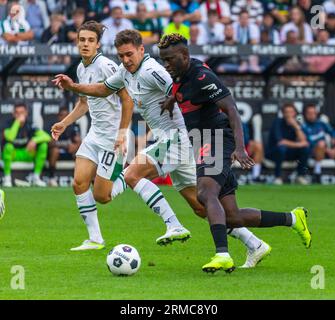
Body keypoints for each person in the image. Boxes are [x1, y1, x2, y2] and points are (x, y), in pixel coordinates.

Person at [53, 30, 274, 269]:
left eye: (129, 54)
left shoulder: (152, 71)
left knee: (131, 174)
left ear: (141, 50)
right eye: (121, 55)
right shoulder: (124, 72)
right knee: (202, 209)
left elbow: (181, 85)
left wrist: (178, 102)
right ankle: (254, 243)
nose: (126, 60)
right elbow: (104, 89)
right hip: (176, 142)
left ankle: (173, 225)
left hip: (179, 138)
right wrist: (74, 86)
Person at [158, 33, 311, 273]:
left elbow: (232, 110)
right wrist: (171, 99)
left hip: (217, 137)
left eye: (169, 59)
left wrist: (240, 148)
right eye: (162, 60)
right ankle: (293, 219)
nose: (165, 64)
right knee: (233, 217)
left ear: (185, 56)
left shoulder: (202, 76)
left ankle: (222, 255)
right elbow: (181, 87)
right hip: (203, 142)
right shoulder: (180, 72)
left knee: (205, 193)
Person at [51, 21, 134, 251]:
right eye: (82, 40)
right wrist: (64, 123)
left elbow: (128, 100)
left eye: (90, 40)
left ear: (98, 45)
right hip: (95, 135)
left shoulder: (107, 66)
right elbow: (83, 102)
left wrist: (122, 133)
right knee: (78, 183)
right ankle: (95, 239)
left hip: (112, 137)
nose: (85, 44)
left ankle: (132, 174)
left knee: (102, 196)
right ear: (77, 42)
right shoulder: (81, 68)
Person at [1, 103, 51, 188]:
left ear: (26, 113)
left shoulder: (30, 124)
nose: (20, 115)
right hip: (12, 154)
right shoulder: (8, 123)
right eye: (17, 112)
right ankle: (7, 178)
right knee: (8, 146)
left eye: (22, 112)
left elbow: (47, 137)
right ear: (13, 114)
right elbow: (10, 138)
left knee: (43, 146)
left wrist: (34, 140)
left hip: (26, 153)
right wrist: (17, 122)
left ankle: (36, 177)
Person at [266, 103, 310, 185]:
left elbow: (304, 140)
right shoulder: (277, 122)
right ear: (283, 113)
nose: (289, 114)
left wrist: (295, 126)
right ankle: (277, 177)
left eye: (291, 112)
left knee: (305, 149)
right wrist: (300, 144)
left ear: (295, 113)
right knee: (281, 148)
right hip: (274, 153)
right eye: (286, 112)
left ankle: (300, 176)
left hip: (290, 152)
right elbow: (281, 142)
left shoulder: (297, 123)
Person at [302, 104, 335, 183]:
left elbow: (332, 131)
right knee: (321, 144)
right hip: (312, 152)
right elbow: (308, 142)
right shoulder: (303, 126)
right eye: (309, 113)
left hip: (326, 151)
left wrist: (333, 137)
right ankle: (317, 172)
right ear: (305, 114)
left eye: (313, 113)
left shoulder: (321, 123)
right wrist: (326, 149)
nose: (312, 115)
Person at [48, 107, 82, 187]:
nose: (64, 118)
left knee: (79, 152)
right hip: (56, 151)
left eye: (66, 115)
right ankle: (51, 177)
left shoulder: (73, 126)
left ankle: (77, 178)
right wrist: (66, 145)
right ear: (58, 116)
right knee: (55, 151)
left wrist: (75, 146)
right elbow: (49, 142)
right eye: (62, 115)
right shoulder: (53, 126)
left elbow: (78, 141)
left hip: (69, 151)